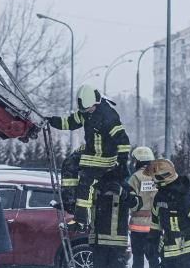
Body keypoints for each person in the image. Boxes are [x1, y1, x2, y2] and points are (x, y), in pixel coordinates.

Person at [46, 84, 130, 232]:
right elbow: (70, 122)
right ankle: (69, 200)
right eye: (83, 110)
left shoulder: (108, 115)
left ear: (94, 102)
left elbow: (122, 139)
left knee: (86, 182)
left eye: (87, 109)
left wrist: (122, 162)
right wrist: (52, 121)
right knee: (69, 164)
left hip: (105, 157)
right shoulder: (86, 113)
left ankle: (81, 221)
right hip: (90, 152)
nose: (85, 112)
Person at [87, 169, 132, 268]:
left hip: (116, 241)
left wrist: (123, 194)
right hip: (98, 239)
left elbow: (137, 203)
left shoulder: (124, 187)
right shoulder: (97, 188)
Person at [127, 146, 161, 268]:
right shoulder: (157, 177)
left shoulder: (135, 177)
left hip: (137, 227)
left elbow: (130, 202)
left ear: (138, 161)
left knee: (138, 261)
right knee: (154, 261)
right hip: (154, 227)